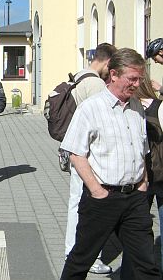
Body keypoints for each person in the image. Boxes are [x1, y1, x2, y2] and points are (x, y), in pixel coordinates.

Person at [60, 48, 159, 279]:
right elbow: (76, 153)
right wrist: (97, 190)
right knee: (80, 260)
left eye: (140, 79)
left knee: (146, 264)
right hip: (102, 199)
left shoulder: (136, 109)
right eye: (132, 79)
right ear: (113, 74)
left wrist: (143, 183)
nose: (137, 84)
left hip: (134, 198)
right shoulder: (91, 108)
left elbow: (142, 150)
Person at [63, 42, 117, 275]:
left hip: (75, 148)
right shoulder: (95, 83)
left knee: (76, 203)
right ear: (106, 62)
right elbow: (103, 120)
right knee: (87, 207)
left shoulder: (79, 76)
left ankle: (72, 250)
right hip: (88, 154)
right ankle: (86, 256)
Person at [135, 73, 163, 273]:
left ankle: (138, 272)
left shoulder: (129, 107)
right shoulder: (160, 106)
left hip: (138, 177)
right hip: (161, 174)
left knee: (136, 231)